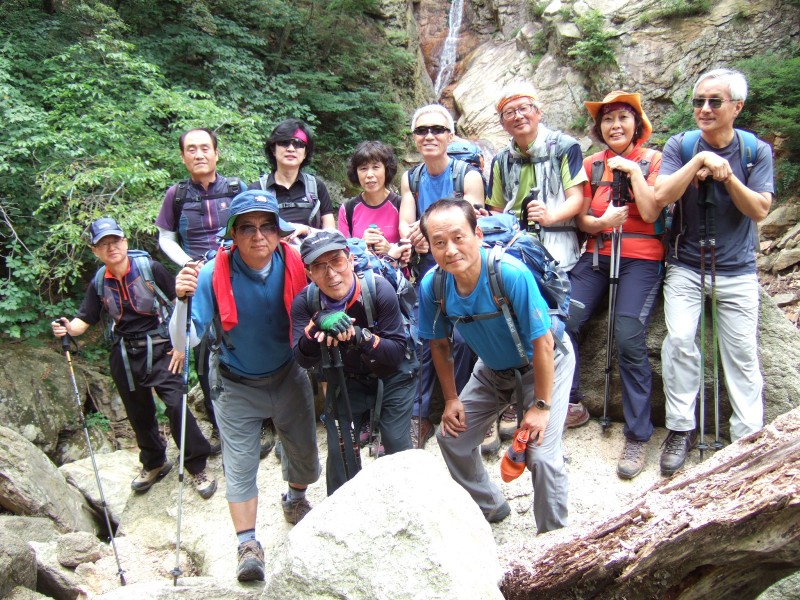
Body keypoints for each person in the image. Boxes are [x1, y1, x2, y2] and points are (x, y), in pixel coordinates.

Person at [170, 190, 321, 581]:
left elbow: (336, 277)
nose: (259, 236)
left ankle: (295, 497)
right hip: (235, 382)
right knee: (240, 465)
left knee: (304, 451)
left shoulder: (297, 261)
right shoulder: (212, 274)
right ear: (233, 235)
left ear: (279, 230)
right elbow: (186, 339)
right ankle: (248, 545)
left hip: (288, 371)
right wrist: (180, 301)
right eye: (247, 228)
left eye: (267, 226)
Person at [417, 198, 574, 531]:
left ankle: (555, 537)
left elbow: (543, 343)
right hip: (491, 369)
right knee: (452, 438)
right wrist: (451, 399)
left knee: (541, 455)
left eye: (458, 237)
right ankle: (490, 505)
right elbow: (439, 344)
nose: (450, 250)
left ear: (477, 235)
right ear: (429, 246)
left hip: (546, 364)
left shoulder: (509, 274)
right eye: (439, 242)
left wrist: (541, 406)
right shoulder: (434, 285)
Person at [654, 68, 773, 476]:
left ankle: (747, 439)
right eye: (699, 101)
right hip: (686, 265)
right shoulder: (681, 145)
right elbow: (661, 194)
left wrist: (729, 176)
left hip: (737, 269)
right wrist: (699, 161)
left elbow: (760, 209)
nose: (704, 109)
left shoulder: (755, 151)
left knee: (741, 354)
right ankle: (680, 427)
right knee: (679, 341)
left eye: (714, 101)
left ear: (736, 107)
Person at [52, 217, 217, 500]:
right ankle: (154, 461)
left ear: (125, 242)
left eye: (115, 241)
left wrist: (180, 345)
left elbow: (182, 302)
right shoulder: (99, 281)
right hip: (124, 353)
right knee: (138, 411)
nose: (111, 247)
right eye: (104, 244)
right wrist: (67, 328)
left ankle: (196, 465)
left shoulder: (150, 269)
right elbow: (84, 320)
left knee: (176, 404)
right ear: (95, 251)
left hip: (162, 347)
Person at [565, 91, 664, 479]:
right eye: (607, 119)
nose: (615, 125)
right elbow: (582, 220)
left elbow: (652, 211)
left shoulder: (654, 161)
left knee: (627, 335)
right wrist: (603, 222)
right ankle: (572, 403)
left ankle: (638, 434)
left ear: (637, 124)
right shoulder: (591, 165)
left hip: (642, 257)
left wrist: (634, 173)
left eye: (623, 117)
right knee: (564, 319)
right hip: (598, 252)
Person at [486, 82, 588, 434]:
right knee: (513, 319)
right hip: (516, 250)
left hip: (558, 249)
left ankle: (567, 400)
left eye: (524, 108)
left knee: (559, 320)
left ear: (538, 111)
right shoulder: (501, 159)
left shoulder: (565, 147)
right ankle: (519, 397)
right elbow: (495, 208)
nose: (518, 116)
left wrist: (550, 215)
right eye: (509, 112)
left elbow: (578, 198)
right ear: (502, 122)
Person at [291, 231, 416, 495]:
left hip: (393, 375)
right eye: (319, 266)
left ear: (349, 260)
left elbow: (396, 352)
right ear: (309, 273)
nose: (331, 273)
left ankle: (406, 499)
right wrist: (316, 325)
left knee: (396, 444)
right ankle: (341, 509)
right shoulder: (306, 302)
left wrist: (359, 336)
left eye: (336, 261)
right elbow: (302, 357)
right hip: (346, 378)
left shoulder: (378, 289)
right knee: (341, 450)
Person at [154, 127, 246, 449]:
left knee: (245, 343)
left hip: (237, 277)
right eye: (191, 149)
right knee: (204, 354)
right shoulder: (176, 195)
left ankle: (258, 420)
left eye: (205, 148)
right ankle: (220, 422)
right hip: (199, 281)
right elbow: (166, 238)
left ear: (216, 153)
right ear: (183, 157)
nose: (199, 154)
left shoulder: (235, 188)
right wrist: (187, 263)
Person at [398, 104, 484, 450]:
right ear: (414, 138)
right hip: (427, 270)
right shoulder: (411, 178)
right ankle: (419, 416)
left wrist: (425, 230)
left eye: (437, 129)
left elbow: (472, 220)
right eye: (422, 130)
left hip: (463, 270)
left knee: (462, 338)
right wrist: (414, 236)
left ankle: (465, 407)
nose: (429, 136)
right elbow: (405, 224)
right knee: (422, 338)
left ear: (450, 136)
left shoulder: (468, 176)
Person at [250, 118, 335, 241]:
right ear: (273, 149)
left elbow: (331, 234)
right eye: (284, 142)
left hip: (311, 251)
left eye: (298, 144)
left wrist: (306, 229)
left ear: (305, 153)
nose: (291, 148)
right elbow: (249, 233)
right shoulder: (257, 190)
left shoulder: (316, 187)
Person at [339, 140, 412, 264]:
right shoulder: (348, 209)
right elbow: (341, 254)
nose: (369, 174)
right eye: (363, 168)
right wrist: (361, 245)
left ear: (386, 170)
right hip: (362, 274)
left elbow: (413, 252)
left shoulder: (402, 205)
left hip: (396, 274)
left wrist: (389, 250)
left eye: (376, 167)